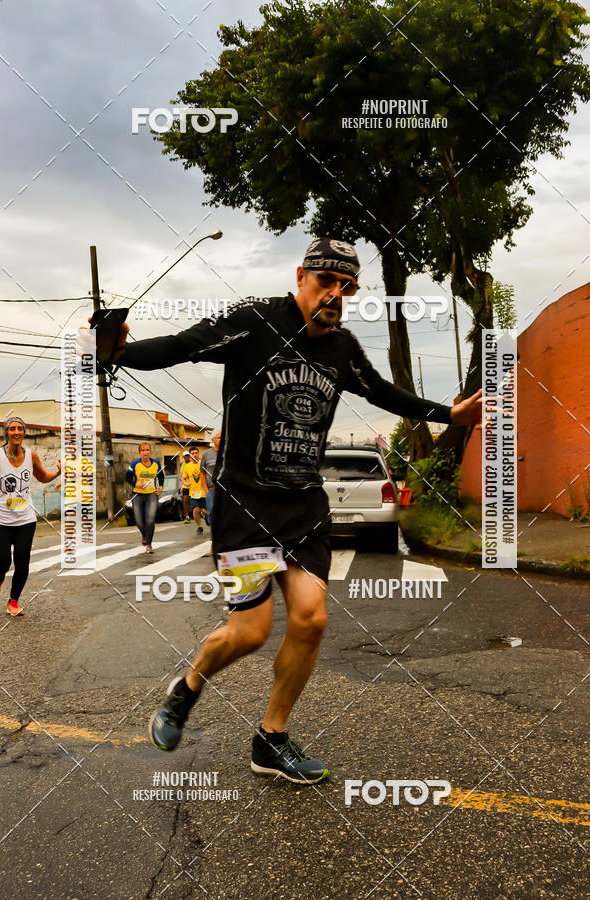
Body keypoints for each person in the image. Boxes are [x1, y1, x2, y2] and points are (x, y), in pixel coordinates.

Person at [111, 237, 482, 783]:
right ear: (302, 277)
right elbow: (182, 345)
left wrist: (447, 411)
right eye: (327, 281)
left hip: (304, 503)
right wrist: (118, 353)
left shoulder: (342, 348)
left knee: (311, 619)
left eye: (347, 286)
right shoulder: (254, 322)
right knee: (250, 632)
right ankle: (185, 691)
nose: (336, 293)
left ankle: (271, 739)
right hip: (245, 503)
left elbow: (381, 391)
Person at [0, 416, 61, 616]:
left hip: (25, 519)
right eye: (12, 429)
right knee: (3, 560)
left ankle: (13, 601)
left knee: (23, 562)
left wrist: (57, 473)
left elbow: (42, 477)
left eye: (19, 428)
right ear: (6, 432)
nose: (16, 432)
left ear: (24, 432)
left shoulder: (32, 455)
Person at [125, 442, 164, 553]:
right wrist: (135, 484)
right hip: (137, 495)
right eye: (143, 450)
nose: (145, 452)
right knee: (139, 521)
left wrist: (160, 487)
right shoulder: (135, 464)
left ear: (150, 451)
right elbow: (127, 478)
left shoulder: (156, 463)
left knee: (150, 519)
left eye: (147, 450)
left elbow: (161, 476)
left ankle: (149, 544)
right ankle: (144, 535)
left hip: (151, 494)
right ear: (140, 452)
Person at [181, 447, 207, 534]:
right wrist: (185, 483)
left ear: (198, 454)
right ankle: (199, 526)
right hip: (193, 493)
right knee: (195, 510)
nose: (195, 455)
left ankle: (206, 517)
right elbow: (183, 478)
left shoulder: (202, 464)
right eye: (192, 453)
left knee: (204, 511)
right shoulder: (187, 467)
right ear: (190, 455)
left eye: (196, 453)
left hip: (204, 491)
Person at [199, 430, 220, 527]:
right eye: (219, 438)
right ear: (213, 439)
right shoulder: (206, 454)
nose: (221, 440)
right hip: (211, 490)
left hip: (225, 489)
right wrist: (206, 490)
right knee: (212, 513)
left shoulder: (227, 453)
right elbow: (202, 473)